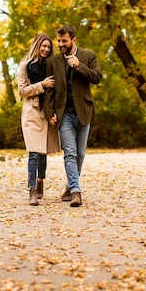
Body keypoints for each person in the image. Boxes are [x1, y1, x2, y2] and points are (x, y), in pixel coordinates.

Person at [44, 25, 102, 207]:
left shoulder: (88, 56)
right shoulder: (53, 61)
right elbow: (49, 91)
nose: (61, 44)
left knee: (80, 154)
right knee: (70, 153)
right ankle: (76, 192)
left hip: (84, 111)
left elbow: (97, 77)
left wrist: (79, 66)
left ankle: (70, 185)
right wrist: (49, 113)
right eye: (59, 41)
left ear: (73, 40)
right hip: (64, 114)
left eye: (64, 41)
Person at [17, 33, 60, 206]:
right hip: (32, 112)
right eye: (43, 46)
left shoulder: (52, 67)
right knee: (34, 152)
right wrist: (42, 84)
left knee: (43, 153)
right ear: (37, 46)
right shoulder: (24, 66)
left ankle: (41, 180)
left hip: (47, 113)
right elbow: (22, 91)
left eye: (48, 47)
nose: (46, 49)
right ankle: (32, 190)